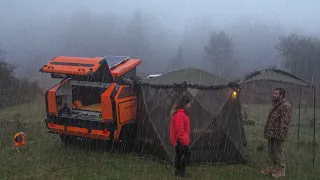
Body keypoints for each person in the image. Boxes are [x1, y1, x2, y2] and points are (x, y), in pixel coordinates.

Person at [261, 88, 292, 178]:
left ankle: (282, 170)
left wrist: (281, 134)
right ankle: (272, 168)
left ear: (281, 95)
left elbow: (285, 122)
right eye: (273, 93)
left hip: (278, 133)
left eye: (276, 93)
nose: (273, 95)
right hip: (271, 132)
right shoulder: (274, 104)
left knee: (278, 151)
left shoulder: (286, 106)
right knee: (271, 151)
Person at [170, 94, 192, 178]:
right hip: (180, 140)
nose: (190, 105)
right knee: (187, 154)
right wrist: (184, 139)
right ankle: (182, 171)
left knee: (179, 155)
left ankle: (178, 171)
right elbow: (179, 130)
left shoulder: (180, 113)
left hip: (178, 139)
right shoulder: (179, 114)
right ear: (185, 104)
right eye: (189, 103)